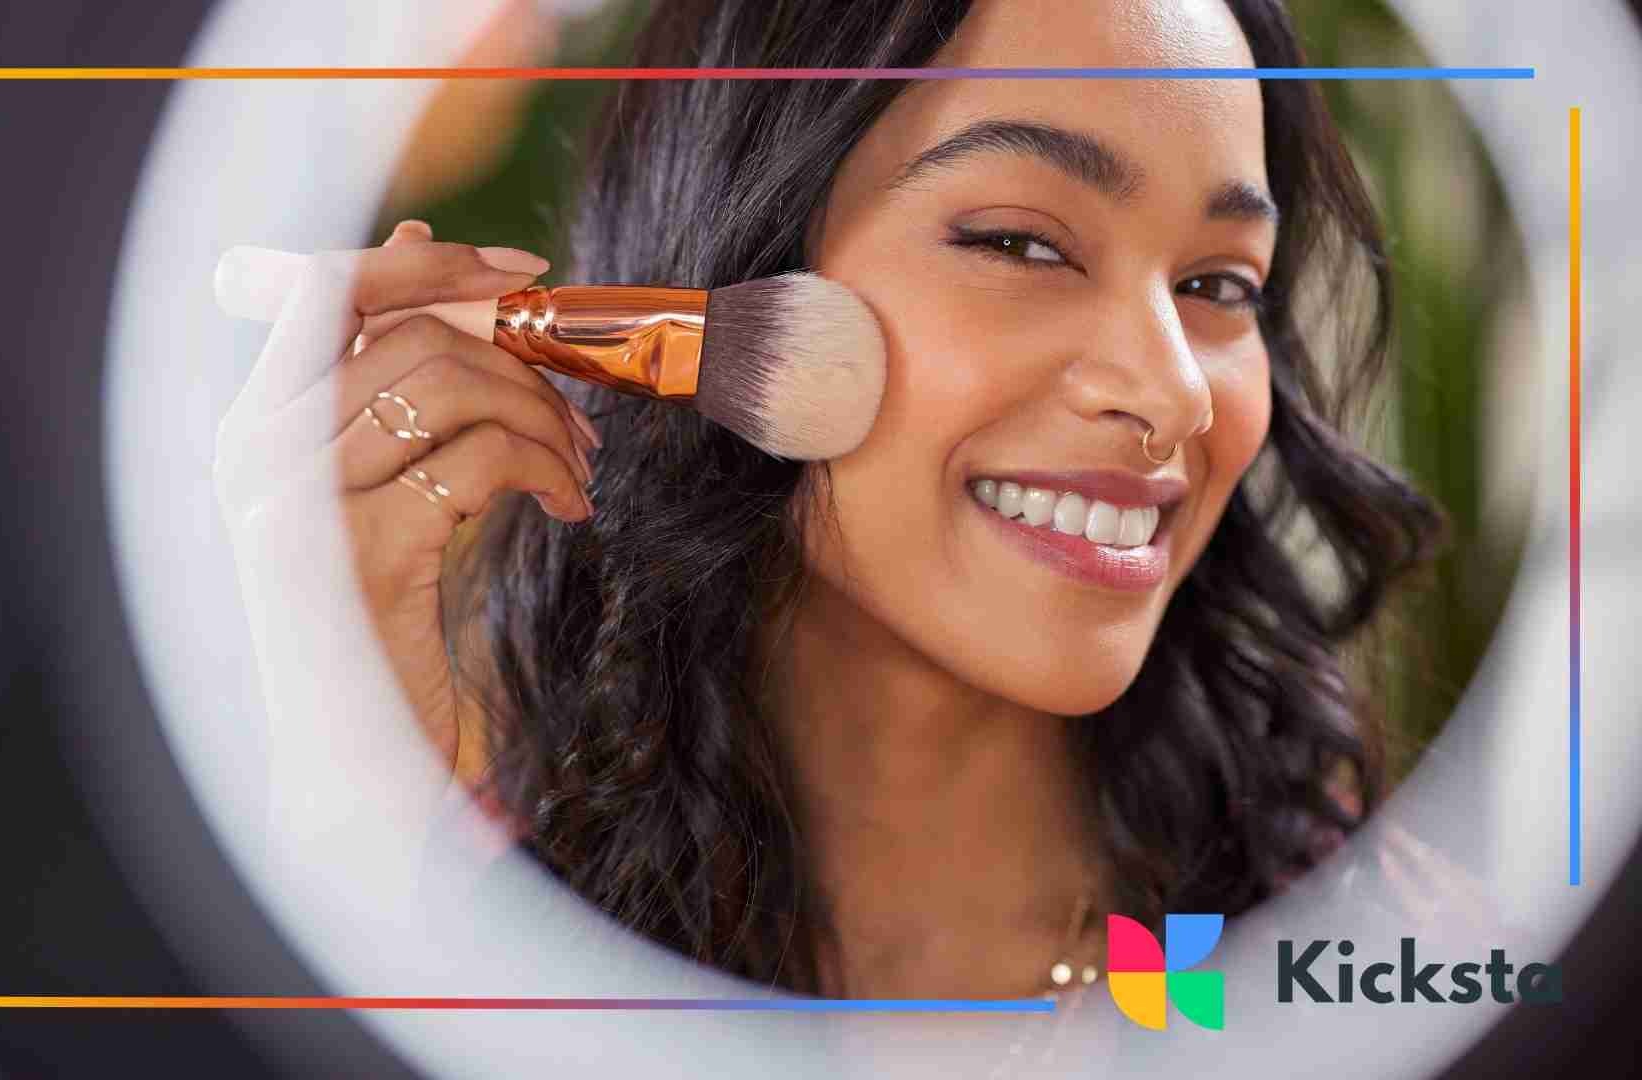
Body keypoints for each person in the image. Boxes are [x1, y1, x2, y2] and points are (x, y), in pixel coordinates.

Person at [214, 0, 1445, 1004]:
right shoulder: (463, 934)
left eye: (1220, 282)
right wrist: (348, 837)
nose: (1173, 392)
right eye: (1022, 243)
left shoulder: (1375, 955)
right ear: (735, 265)